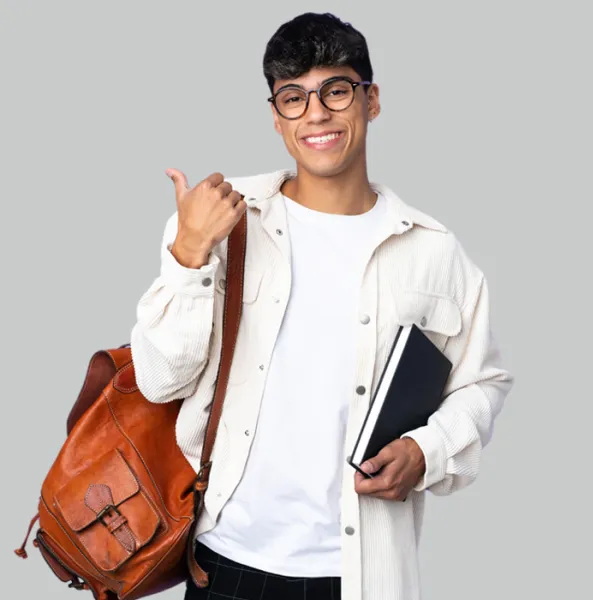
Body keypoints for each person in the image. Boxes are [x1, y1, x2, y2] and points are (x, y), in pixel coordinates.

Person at [130, 11, 514, 600]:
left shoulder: (433, 252)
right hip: (228, 562)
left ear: (371, 100)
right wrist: (188, 253)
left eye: (335, 90)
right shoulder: (224, 221)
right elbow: (160, 381)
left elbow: (482, 384)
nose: (315, 114)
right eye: (293, 97)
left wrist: (426, 451)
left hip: (362, 572)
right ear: (276, 117)